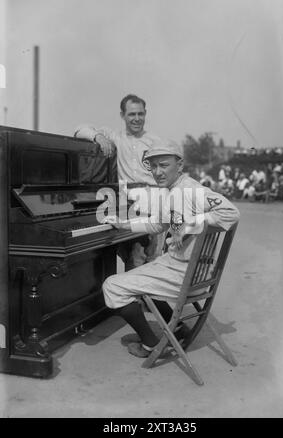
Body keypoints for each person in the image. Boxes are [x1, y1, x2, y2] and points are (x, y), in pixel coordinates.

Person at [101, 139, 240, 358]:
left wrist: (191, 224)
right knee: (145, 269)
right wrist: (123, 223)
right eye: (153, 166)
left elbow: (232, 212)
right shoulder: (175, 190)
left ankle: (150, 344)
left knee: (112, 285)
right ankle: (175, 328)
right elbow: (157, 224)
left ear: (180, 165)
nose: (157, 172)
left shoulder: (191, 190)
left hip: (185, 277)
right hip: (192, 273)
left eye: (163, 165)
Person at [74, 94, 165, 269]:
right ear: (122, 115)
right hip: (130, 203)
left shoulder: (156, 142)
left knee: (154, 258)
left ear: (145, 114)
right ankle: (134, 295)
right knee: (135, 257)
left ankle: (149, 295)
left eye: (140, 114)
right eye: (132, 114)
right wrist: (98, 138)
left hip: (155, 200)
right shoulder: (115, 136)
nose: (137, 119)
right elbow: (79, 129)